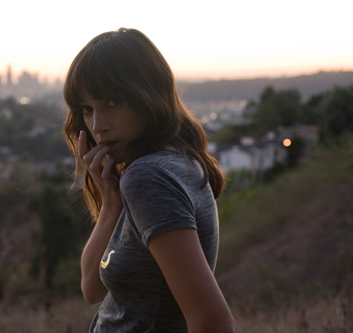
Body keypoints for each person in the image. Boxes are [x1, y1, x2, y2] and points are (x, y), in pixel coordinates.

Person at [62, 28, 235, 333]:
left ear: (148, 96)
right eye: (87, 109)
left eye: (113, 101)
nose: (97, 126)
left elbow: (213, 323)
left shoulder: (148, 178)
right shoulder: (179, 161)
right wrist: (111, 204)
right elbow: (92, 288)